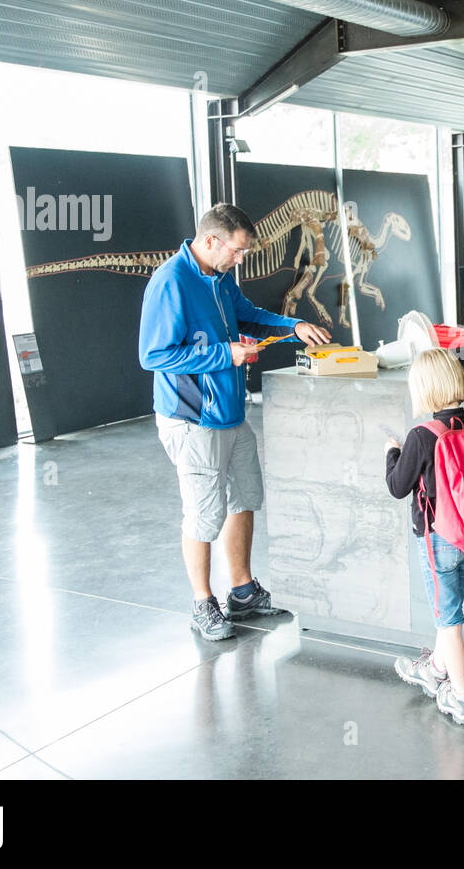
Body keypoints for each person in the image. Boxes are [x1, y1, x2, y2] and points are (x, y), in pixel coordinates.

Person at [139, 204, 331, 641]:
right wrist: (224, 355)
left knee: (243, 499)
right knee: (203, 515)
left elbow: (246, 314)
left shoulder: (221, 277)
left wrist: (294, 324)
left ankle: (242, 591)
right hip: (192, 420)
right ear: (211, 241)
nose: (241, 259)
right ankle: (202, 602)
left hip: (231, 413)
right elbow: (153, 355)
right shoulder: (170, 281)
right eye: (238, 251)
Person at [384, 348, 464, 725]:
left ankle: (462, 695)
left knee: (449, 621)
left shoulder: (421, 436)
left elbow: (398, 487)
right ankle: (434, 668)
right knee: (447, 611)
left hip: (437, 540)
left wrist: (392, 453)